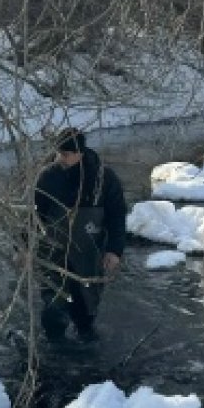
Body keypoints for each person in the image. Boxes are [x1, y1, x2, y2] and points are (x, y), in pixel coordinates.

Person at [31, 127, 127, 342]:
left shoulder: (104, 178)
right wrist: (23, 248)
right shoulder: (48, 177)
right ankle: (54, 349)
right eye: (59, 153)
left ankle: (86, 352)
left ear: (80, 153)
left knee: (85, 311)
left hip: (90, 253)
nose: (61, 158)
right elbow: (34, 216)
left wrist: (114, 250)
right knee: (53, 307)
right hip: (54, 252)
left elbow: (117, 216)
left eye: (66, 154)